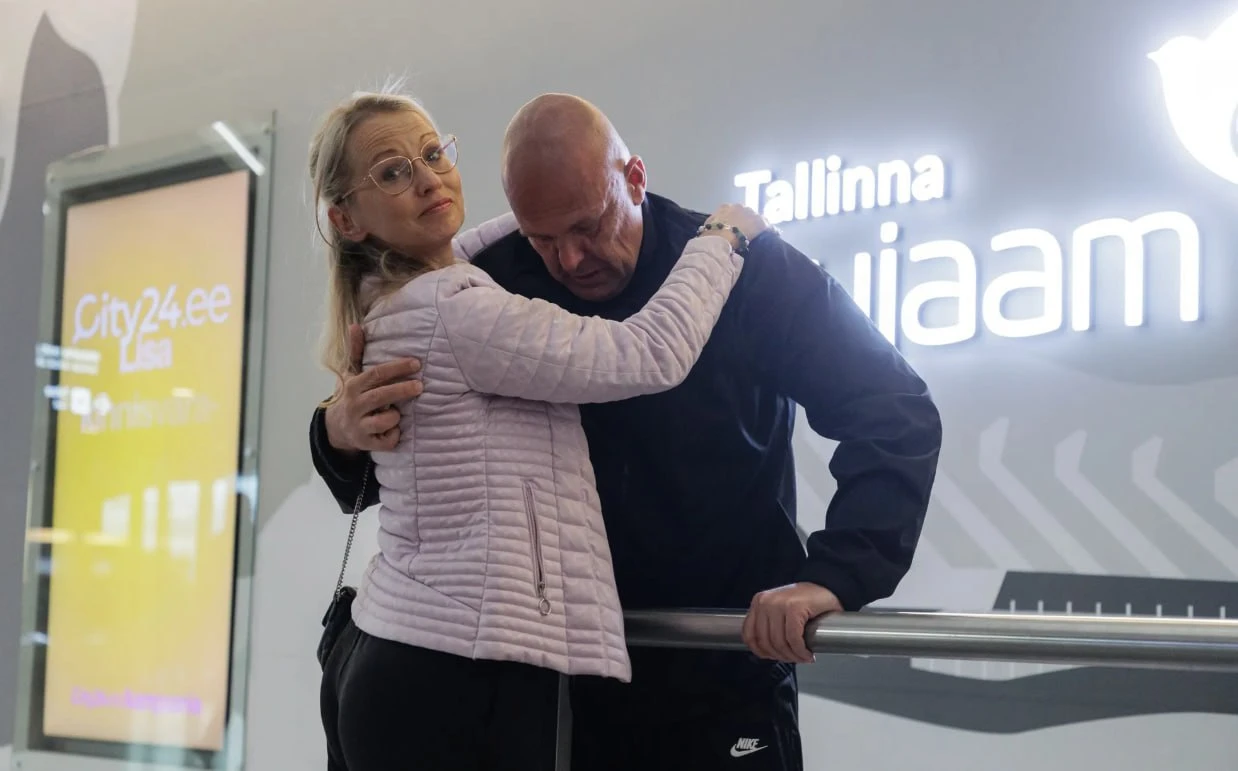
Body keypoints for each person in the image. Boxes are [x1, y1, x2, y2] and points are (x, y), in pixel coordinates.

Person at [310, 93, 943, 771]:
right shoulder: (489, 278)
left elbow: (891, 406)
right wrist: (337, 431)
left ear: (634, 179)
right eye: (543, 238)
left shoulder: (746, 271)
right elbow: (426, 454)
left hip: (721, 665)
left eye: (589, 226)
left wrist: (838, 575)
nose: (570, 258)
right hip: (569, 681)